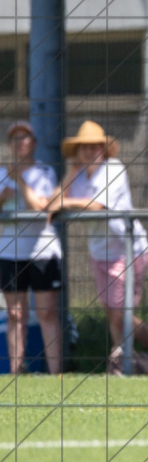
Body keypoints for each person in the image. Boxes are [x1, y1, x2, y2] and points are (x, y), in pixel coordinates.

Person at [46, 120, 148, 375]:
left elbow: (98, 206)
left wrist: (65, 202)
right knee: (113, 313)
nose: (89, 151)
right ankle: (123, 363)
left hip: (127, 250)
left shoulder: (114, 169)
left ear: (104, 149)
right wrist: (71, 174)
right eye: (83, 147)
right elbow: (53, 202)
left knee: (122, 313)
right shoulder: (79, 177)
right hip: (100, 253)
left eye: (95, 146)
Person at [0, 121, 63, 374]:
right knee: (16, 315)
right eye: (15, 139)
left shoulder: (44, 172)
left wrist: (20, 182)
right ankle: (17, 371)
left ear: (34, 143)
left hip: (42, 253)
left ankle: (56, 373)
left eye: (25, 138)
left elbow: (42, 207)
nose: (20, 143)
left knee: (47, 313)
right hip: (9, 253)